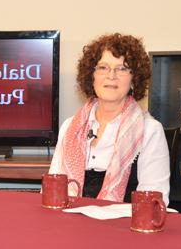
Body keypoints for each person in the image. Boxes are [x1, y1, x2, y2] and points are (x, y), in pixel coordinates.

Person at [48, 33, 170, 204]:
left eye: (121, 68)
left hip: (123, 227)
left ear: (134, 78)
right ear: (92, 76)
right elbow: (52, 191)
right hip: (70, 224)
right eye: (103, 67)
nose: (111, 75)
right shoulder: (70, 127)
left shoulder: (150, 130)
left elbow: (154, 203)